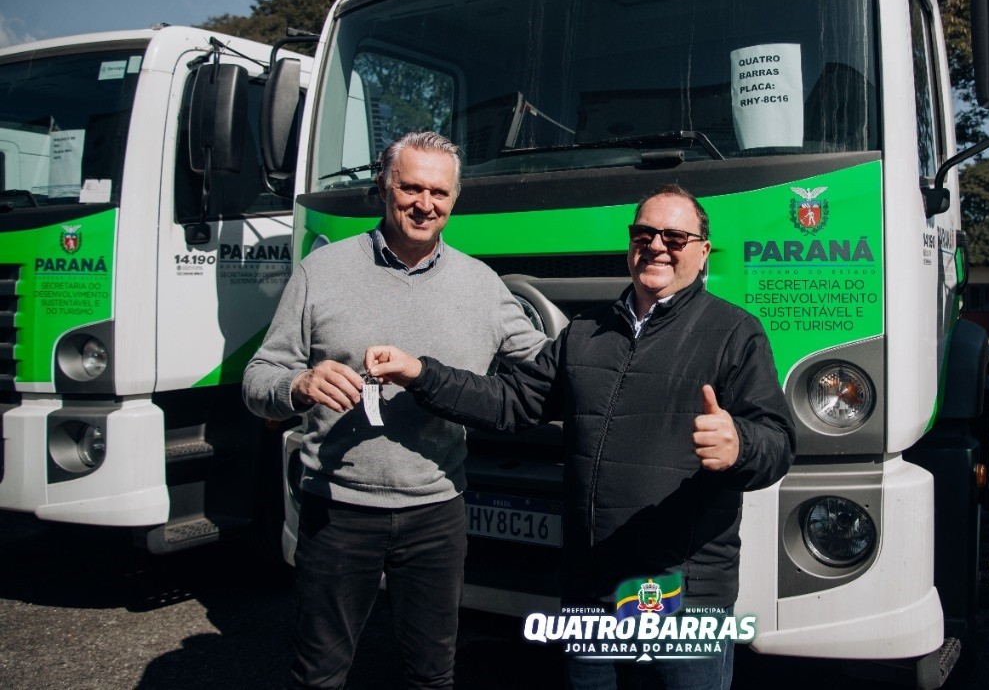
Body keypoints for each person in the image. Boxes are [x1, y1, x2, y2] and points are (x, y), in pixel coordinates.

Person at [366, 183, 796, 690]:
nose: (656, 246)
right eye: (644, 234)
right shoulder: (585, 332)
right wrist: (421, 374)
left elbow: (777, 442)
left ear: (702, 252)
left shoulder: (735, 333)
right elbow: (510, 401)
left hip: (683, 593)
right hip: (591, 590)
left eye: (675, 238)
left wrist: (740, 444)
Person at [242, 130, 546, 690]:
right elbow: (258, 378)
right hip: (338, 510)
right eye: (411, 188)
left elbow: (549, 366)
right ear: (384, 187)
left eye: (439, 193)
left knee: (431, 677)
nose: (425, 204)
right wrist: (299, 383)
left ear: (454, 199)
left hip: (437, 512)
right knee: (318, 675)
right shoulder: (321, 271)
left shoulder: (482, 285)